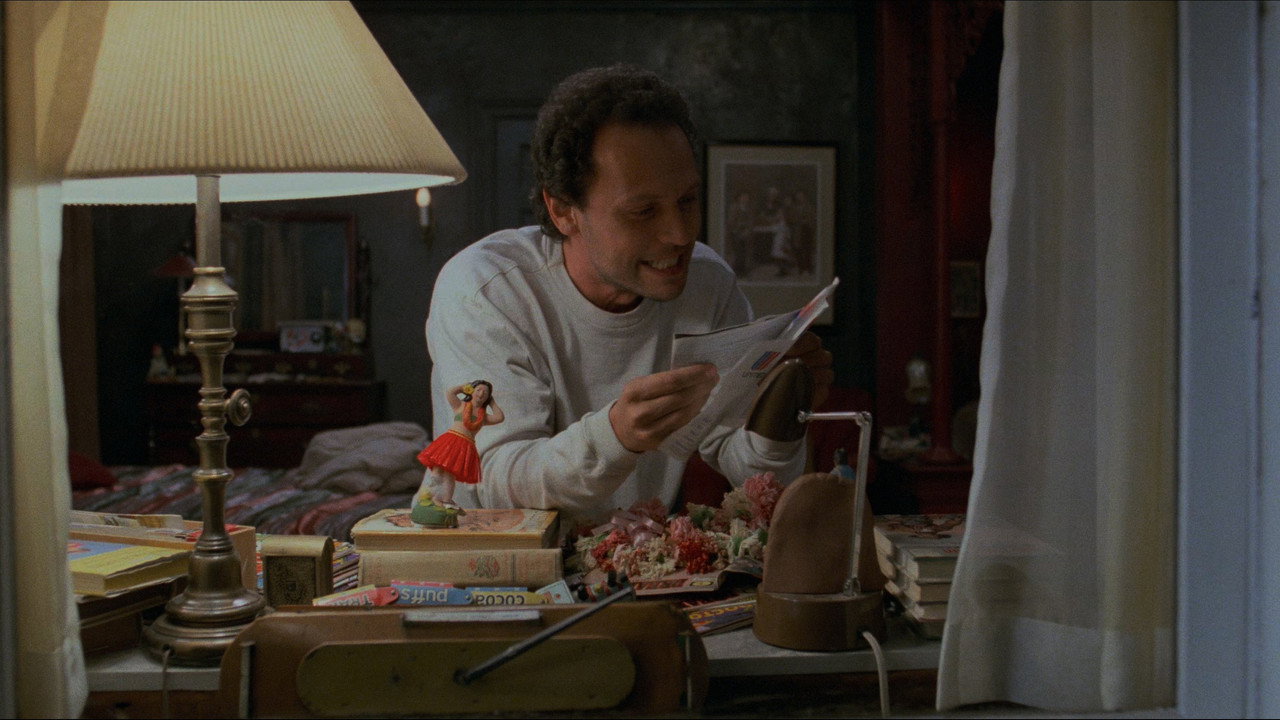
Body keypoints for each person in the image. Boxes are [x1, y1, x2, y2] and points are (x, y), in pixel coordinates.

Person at [425, 64, 833, 523]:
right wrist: (615, 435)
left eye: (687, 201)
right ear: (563, 211)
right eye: (643, 211)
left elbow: (748, 471)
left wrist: (779, 419)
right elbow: (493, 481)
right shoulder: (486, 289)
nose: (680, 235)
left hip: (633, 553)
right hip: (493, 560)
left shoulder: (709, 284)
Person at [414, 380, 504, 515]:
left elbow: (499, 417)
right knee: (438, 469)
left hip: (465, 447)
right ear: (472, 391)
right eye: (478, 390)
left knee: (450, 476)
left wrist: (492, 403)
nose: (481, 394)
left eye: (485, 393)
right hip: (451, 441)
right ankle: (430, 496)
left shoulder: (483, 416)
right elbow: (450, 392)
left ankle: (447, 500)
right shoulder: (460, 405)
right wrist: (463, 387)